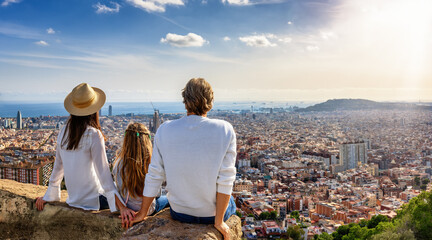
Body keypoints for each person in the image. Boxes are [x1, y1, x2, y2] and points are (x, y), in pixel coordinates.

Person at [132, 78, 237, 240]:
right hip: (211, 214)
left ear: (185, 100)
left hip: (180, 212)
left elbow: (155, 174)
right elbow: (226, 178)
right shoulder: (225, 129)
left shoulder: (165, 129)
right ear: (210, 101)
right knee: (233, 202)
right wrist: (219, 223)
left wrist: (142, 213)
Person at [36, 83, 123, 213]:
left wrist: (49, 196)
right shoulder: (94, 134)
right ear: (94, 109)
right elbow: (104, 173)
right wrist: (121, 207)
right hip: (95, 200)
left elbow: (58, 167)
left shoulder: (63, 131)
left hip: (74, 200)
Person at [112, 122, 169, 228]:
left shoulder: (119, 163)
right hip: (147, 210)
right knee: (168, 198)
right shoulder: (152, 164)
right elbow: (155, 194)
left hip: (126, 206)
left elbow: (116, 188)